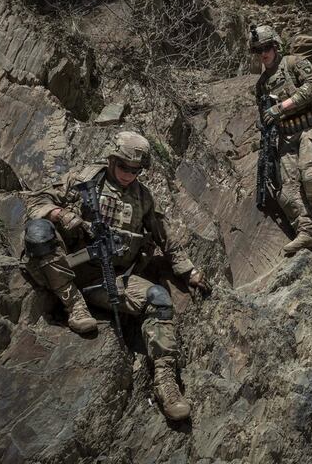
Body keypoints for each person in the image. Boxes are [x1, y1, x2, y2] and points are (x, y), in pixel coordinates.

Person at [22, 130, 206, 421]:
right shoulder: (81, 180)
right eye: (124, 167)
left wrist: (189, 270)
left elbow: (165, 238)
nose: (129, 175)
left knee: (159, 300)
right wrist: (61, 214)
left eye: (136, 170)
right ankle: (73, 306)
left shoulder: (143, 198)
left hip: (112, 279)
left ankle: (166, 383)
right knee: (38, 232)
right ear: (111, 159)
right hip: (69, 268)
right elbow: (35, 202)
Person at [251, 24, 312, 254]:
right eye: (258, 50)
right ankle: (308, 230)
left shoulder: (295, 63)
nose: (264, 53)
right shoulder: (261, 85)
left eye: (267, 47)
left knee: (310, 173)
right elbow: (264, 116)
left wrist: (281, 107)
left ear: (275, 46)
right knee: (283, 189)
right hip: (286, 136)